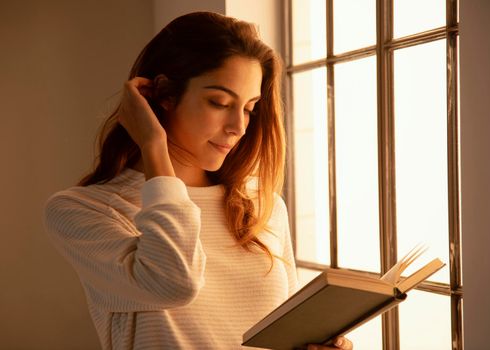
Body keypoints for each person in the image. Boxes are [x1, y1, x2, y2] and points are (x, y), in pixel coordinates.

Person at [44, 11, 353, 350]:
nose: (239, 126)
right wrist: (153, 145)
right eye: (219, 102)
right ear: (161, 94)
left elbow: (282, 334)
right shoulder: (82, 210)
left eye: (249, 107)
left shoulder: (262, 207)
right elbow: (174, 283)